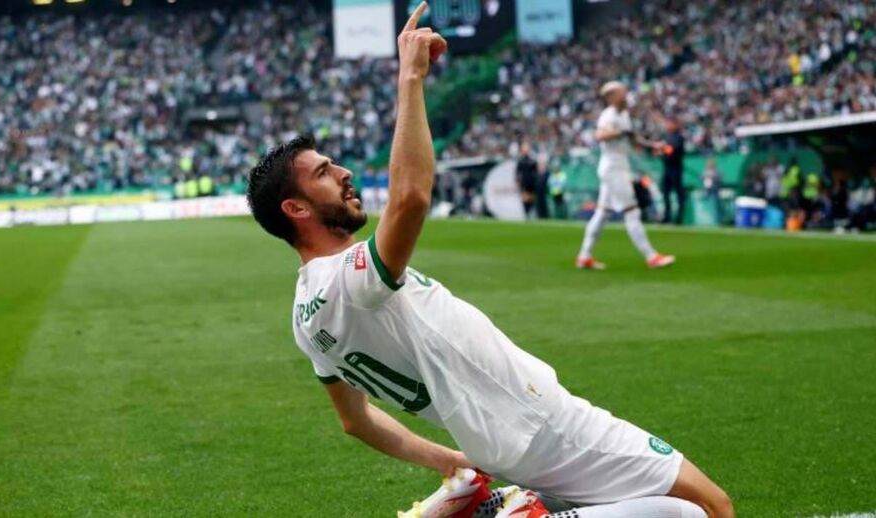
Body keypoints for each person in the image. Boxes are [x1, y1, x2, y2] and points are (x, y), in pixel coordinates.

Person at [246, 5, 733, 518]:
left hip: (499, 442)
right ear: (296, 209)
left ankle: (529, 505)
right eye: (324, 172)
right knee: (708, 508)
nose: (344, 172)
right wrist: (410, 78)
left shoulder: (305, 318)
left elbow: (357, 421)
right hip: (541, 421)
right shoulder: (349, 280)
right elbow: (409, 199)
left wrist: (452, 461)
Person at [575, 81, 675, 270]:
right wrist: (619, 132)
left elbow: (632, 139)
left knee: (602, 214)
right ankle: (651, 256)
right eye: (622, 93)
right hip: (613, 168)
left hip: (618, 165)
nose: (626, 96)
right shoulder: (609, 115)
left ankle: (584, 257)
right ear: (611, 97)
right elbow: (600, 135)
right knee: (632, 211)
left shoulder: (624, 115)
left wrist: (653, 146)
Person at [659, 118, 686, 225]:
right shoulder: (666, 137)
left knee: (678, 193)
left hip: (676, 168)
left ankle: (679, 217)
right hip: (667, 168)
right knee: (665, 192)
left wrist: (662, 148)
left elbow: (672, 150)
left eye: (670, 124)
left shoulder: (679, 137)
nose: (668, 126)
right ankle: (667, 216)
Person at [516, 142, 537, 219]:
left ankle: (530, 213)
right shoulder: (521, 161)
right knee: (525, 198)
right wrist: (518, 181)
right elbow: (517, 173)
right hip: (524, 183)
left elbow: (535, 171)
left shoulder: (532, 160)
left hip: (531, 182)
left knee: (531, 198)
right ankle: (526, 213)